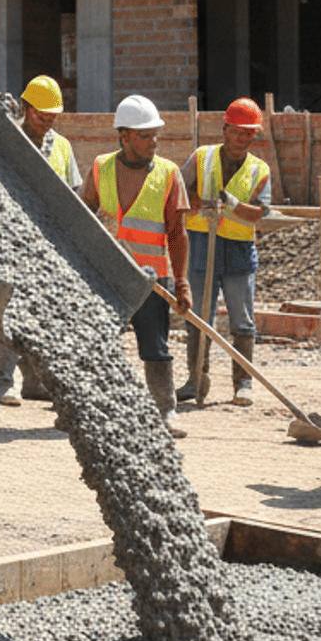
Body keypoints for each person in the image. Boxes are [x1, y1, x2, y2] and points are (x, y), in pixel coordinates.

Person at [81, 94, 192, 437]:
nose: (154, 141)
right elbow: (82, 217)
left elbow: (177, 233)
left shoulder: (169, 173)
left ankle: (165, 410)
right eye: (146, 135)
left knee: (156, 347)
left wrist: (182, 282)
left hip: (152, 281)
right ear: (125, 136)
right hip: (108, 278)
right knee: (97, 343)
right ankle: (94, 409)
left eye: (156, 134)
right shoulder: (101, 167)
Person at [178, 98, 273, 404]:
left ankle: (243, 383)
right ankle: (195, 380)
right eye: (236, 132)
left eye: (248, 134)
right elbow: (178, 194)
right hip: (202, 244)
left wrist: (231, 204)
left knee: (242, 319)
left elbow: (258, 213)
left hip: (238, 249)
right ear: (224, 130)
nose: (241, 139)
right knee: (198, 316)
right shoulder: (202, 157)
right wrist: (199, 204)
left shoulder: (260, 169)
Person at [0, 75, 80, 404]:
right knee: (5, 309)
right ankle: (4, 382)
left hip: (49, 245)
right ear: (26, 108)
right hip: (11, 240)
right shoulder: (6, 139)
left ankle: (34, 381)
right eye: (41, 116)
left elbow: (74, 195)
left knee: (42, 313)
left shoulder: (62, 147)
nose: (46, 123)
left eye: (52, 118)